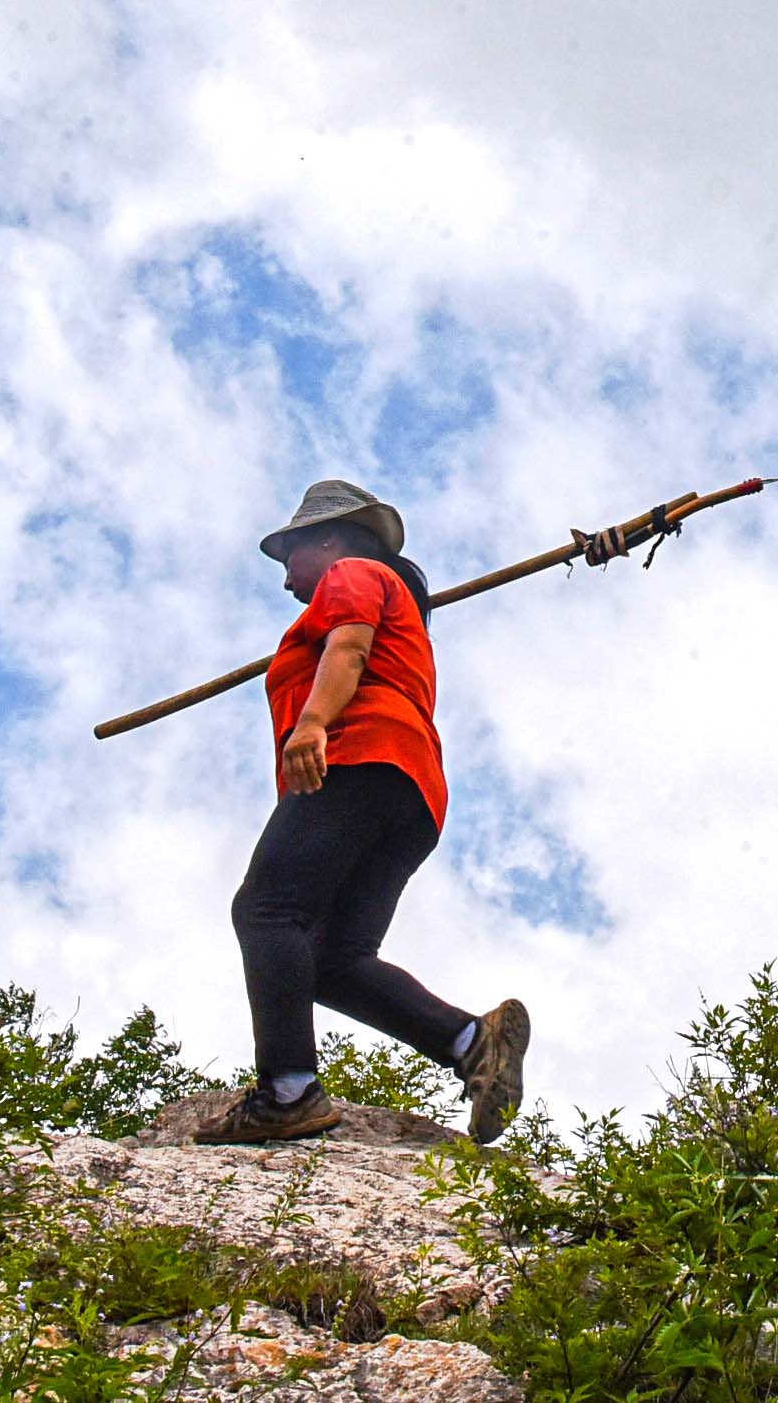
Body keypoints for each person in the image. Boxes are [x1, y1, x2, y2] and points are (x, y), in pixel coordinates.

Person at [192, 478, 533, 1146]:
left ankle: (287, 1092)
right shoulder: (393, 599)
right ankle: (471, 1041)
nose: (286, 578)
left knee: (267, 911)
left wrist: (312, 723)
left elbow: (348, 648)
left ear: (328, 539)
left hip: (357, 757)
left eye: (288, 556)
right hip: (411, 789)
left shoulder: (352, 574)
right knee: (330, 959)